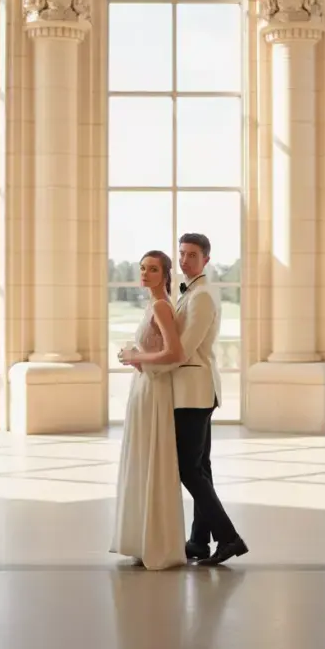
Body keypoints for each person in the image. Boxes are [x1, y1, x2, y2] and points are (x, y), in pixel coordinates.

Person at [166, 233, 247, 566]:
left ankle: (229, 538)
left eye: (192, 255)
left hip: (194, 391)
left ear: (206, 260)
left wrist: (148, 360)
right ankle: (199, 541)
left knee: (189, 469)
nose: (185, 260)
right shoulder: (191, 293)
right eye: (182, 254)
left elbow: (184, 348)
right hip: (194, 390)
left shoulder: (201, 296)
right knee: (201, 467)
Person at [109, 250, 187, 570]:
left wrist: (134, 357)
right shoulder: (154, 305)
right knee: (143, 461)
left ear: (165, 274)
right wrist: (135, 355)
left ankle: (157, 543)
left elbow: (174, 353)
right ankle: (144, 540)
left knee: (151, 460)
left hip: (154, 392)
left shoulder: (160, 306)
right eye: (142, 268)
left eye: (153, 269)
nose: (145, 274)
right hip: (144, 389)